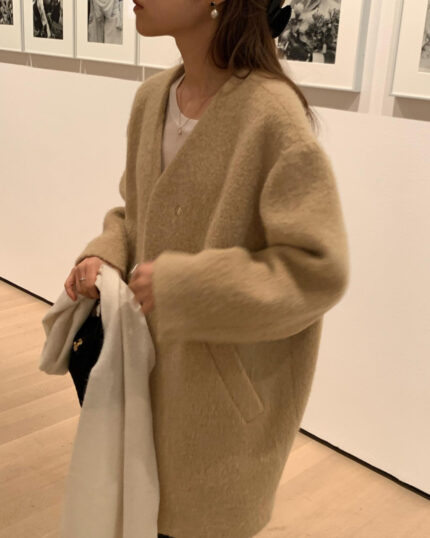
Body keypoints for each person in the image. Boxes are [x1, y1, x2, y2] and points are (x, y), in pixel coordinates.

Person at [65, 1, 350, 537]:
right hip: (142, 382)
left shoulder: (272, 115)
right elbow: (135, 212)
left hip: (220, 415)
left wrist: (187, 287)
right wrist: (105, 252)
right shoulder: (152, 99)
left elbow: (319, 269)